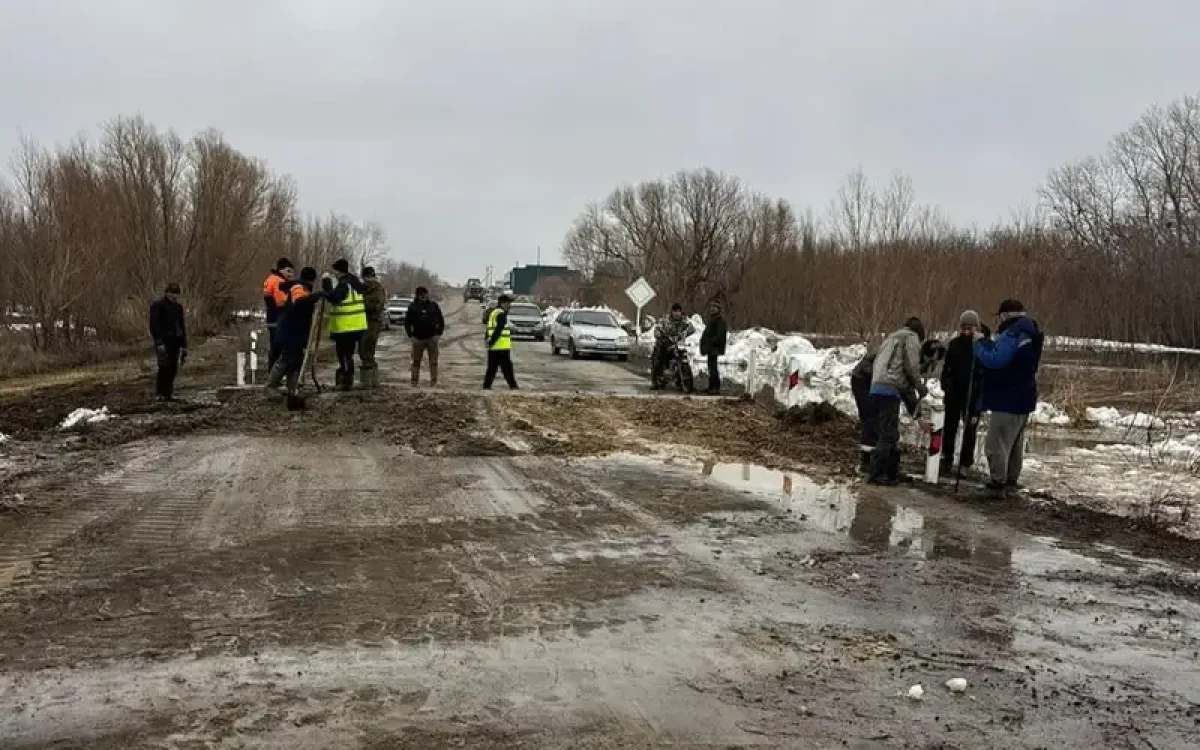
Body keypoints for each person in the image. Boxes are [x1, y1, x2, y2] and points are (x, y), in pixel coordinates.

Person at [973, 299, 1044, 496]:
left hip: (1007, 398)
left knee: (996, 444)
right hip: (1024, 397)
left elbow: (996, 360)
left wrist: (979, 344)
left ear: (1005, 315)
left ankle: (997, 485)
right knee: (1013, 444)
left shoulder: (1012, 333)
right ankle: (1011, 482)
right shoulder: (1030, 332)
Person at [867, 317, 928, 485]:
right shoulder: (911, 338)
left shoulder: (892, 338)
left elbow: (904, 380)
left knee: (890, 431)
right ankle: (876, 474)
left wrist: (917, 413)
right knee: (889, 434)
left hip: (877, 386)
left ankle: (891, 472)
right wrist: (919, 385)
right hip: (890, 388)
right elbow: (911, 368)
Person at [940, 310, 988, 476]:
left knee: (970, 431)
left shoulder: (982, 345)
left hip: (973, 396)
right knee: (950, 428)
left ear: (977, 327)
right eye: (964, 327)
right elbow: (946, 369)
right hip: (954, 394)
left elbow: (985, 373)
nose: (967, 331)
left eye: (971, 328)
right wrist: (946, 385)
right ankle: (946, 458)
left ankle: (965, 463)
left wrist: (979, 392)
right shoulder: (954, 345)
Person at [265, 267, 321, 394]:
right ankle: (270, 387)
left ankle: (293, 388)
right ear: (312, 280)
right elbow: (300, 302)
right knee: (286, 358)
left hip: (295, 332)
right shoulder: (298, 287)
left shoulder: (302, 288)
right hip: (289, 332)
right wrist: (315, 296)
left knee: (296, 360)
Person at [322, 258, 368, 391]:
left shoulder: (344, 285)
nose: (334, 274)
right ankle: (348, 379)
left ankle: (346, 381)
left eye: (334, 271)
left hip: (345, 326)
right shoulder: (355, 282)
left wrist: (326, 283)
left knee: (344, 354)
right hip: (357, 326)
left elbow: (334, 299)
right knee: (349, 354)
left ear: (338, 271)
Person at [149, 282, 188, 402]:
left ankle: (168, 394)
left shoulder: (178, 308)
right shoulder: (158, 306)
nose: (174, 296)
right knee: (163, 367)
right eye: (172, 293)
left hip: (175, 341)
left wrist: (184, 345)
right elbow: (154, 325)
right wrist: (159, 342)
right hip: (163, 341)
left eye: (176, 293)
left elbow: (181, 326)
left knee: (173, 368)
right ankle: (160, 393)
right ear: (167, 293)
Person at [650, 304, 696, 390]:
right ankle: (655, 381)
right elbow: (657, 328)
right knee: (659, 358)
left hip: (678, 344)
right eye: (675, 311)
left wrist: (685, 334)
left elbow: (692, 329)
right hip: (665, 343)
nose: (677, 313)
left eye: (679, 311)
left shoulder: (684, 320)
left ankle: (681, 381)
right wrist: (659, 334)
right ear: (672, 312)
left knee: (683, 356)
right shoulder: (665, 320)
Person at [405, 286, 445, 386]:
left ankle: (433, 382)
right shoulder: (412, 307)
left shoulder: (433, 306)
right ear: (418, 295)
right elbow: (407, 323)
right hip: (417, 339)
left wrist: (438, 334)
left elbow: (441, 321)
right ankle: (414, 382)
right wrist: (411, 336)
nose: (424, 297)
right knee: (415, 362)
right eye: (422, 295)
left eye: (425, 294)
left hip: (431, 338)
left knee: (433, 362)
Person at [262, 258, 294, 371]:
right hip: (279, 318)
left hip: (271, 318)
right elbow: (282, 301)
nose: (291, 274)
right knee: (280, 348)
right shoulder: (280, 281)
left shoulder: (270, 279)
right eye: (288, 271)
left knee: (274, 347)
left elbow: (268, 298)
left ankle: (272, 373)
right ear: (281, 270)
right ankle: (276, 375)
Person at [358, 266, 387, 388]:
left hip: (373, 322)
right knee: (363, 349)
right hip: (362, 321)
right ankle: (368, 379)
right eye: (366, 278)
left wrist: (363, 303)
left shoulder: (378, 289)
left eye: (370, 277)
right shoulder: (362, 288)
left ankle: (370, 380)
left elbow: (376, 306)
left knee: (368, 348)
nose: (368, 280)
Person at [483, 294, 519, 389]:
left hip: (494, 347)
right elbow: (498, 329)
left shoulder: (494, 312)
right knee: (507, 368)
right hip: (501, 347)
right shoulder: (501, 314)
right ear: (503, 303)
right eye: (508, 303)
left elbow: (489, 328)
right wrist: (491, 341)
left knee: (492, 368)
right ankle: (513, 386)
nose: (509, 305)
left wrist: (487, 340)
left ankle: (486, 386)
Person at [699, 300, 728, 395]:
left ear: (718, 309)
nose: (711, 309)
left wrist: (709, 343)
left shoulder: (720, 320)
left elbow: (719, 335)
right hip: (711, 347)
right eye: (711, 307)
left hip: (715, 347)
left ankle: (715, 388)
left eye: (714, 307)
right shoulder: (713, 319)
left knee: (713, 367)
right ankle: (711, 387)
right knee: (711, 367)